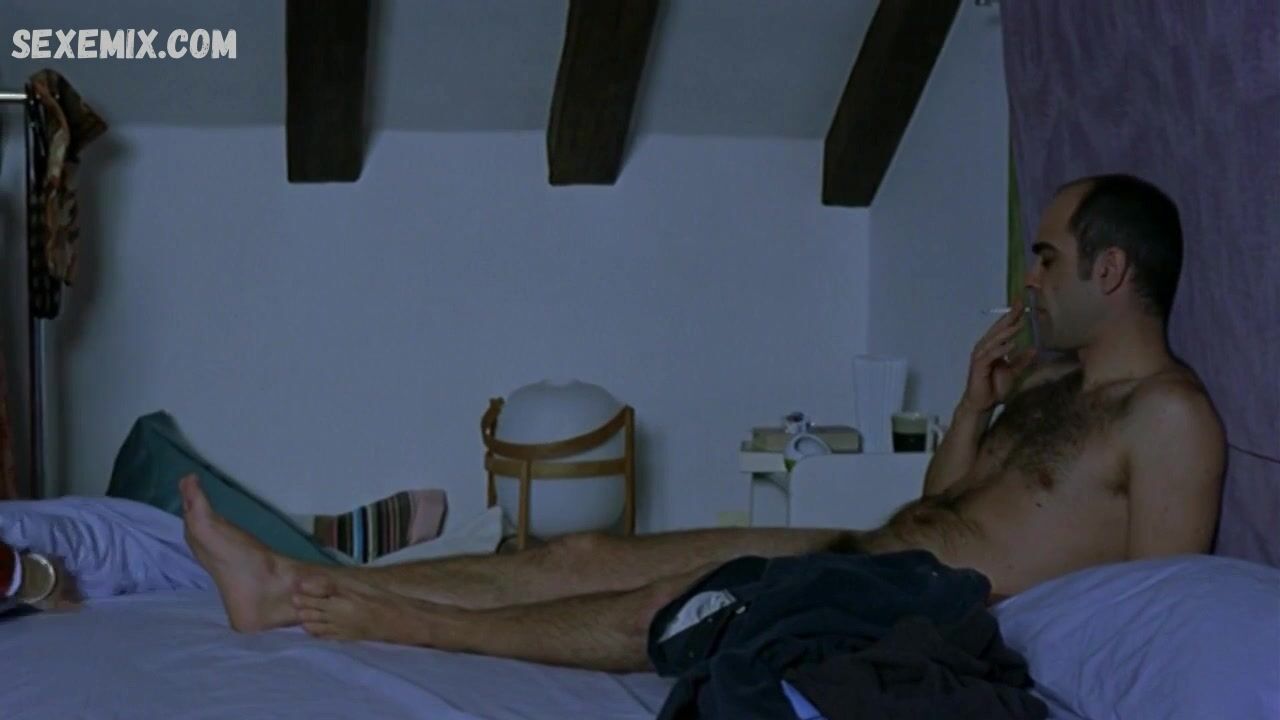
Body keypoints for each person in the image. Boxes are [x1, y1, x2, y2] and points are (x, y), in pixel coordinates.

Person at [181, 173, 1226, 673]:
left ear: (1110, 270)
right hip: (875, 549)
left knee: (670, 608)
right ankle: (292, 585)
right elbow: (940, 504)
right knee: (584, 553)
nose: (1029, 279)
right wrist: (971, 403)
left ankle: (393, 618)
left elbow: (1153, 619)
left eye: (1045, 258)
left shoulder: (1169, 419)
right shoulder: (1045, 387)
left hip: (931, 605)